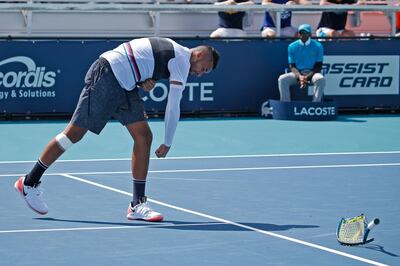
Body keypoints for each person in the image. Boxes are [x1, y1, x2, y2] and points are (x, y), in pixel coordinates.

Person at [14, 37, 220, 222]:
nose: (201, 74)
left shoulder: (175, 52)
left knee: (143, 136)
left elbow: (141, 58)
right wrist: (168, 141)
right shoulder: (182, 61)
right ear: (199, 55)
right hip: (108, 74)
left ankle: (137, 204)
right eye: (205, 68)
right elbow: (173, 105)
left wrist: (143, 80)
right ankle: (30, 182)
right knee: (73, 134)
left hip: (126, 84)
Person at [278, 24, 325, 102]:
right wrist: (300, 76)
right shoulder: (292, 46)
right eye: (300, 33)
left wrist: (306, 77)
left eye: (305, 33)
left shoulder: (318, 46)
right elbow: (292, 66)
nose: (302, 35)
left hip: (313, 74)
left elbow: (318, 66)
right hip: (297, 73)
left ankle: (316, 105)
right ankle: (286, 105)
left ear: (310, 34)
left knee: (320, 79)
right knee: (282, 79)